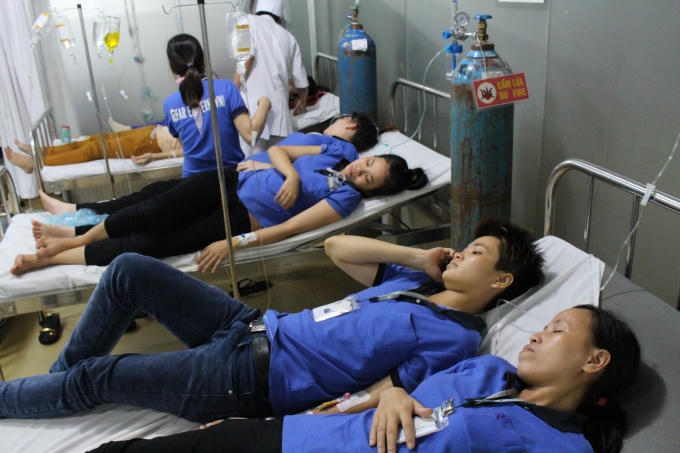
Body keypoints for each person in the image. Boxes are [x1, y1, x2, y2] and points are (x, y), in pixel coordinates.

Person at [0, 218, 544, 422]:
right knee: (127, 270)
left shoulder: (455, 339)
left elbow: (377, 394)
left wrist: (280, 422)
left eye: (476, 252)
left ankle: (38, 393)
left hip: (252, 378)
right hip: (250, 325)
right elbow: (336, 246)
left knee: (101, 377)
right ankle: (57, 387)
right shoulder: (415, 281)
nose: (462, 252)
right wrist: (417, 257)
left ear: (501, 282)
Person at [85, 305, 640, 453]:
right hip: (297, 437)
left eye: (558, 330)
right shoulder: (490, 369)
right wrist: (392, 394)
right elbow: (397, 402)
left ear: (595, 362)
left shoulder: (561, 446)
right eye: (543, 324)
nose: (538, 334)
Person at [10, 114, 427, 274]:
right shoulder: (340, 151)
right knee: (153, 207)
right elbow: (281, 152)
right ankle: (75, 237)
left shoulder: (345, 199)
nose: (360, 171)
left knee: (152, 244)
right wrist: (289, 176)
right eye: (369, 163)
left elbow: (289, 229)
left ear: (371, 191)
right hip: (229, 181)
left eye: (369, 178)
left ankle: (52, 256)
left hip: (240, 219)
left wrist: (233, 243)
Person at [164, 33, 271, 176]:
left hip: (192, 183)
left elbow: (187, 147)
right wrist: (264, 104)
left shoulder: (169, 105)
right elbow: (251, 135)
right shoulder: (226, 88)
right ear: (203, 60)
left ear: (172, 68)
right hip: (231, 177)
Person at [233, 0, 309, 156]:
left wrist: (232, 91)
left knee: (251, 164)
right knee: (278, 164)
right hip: (281, 119)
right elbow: (301, 81)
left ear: (256, 12)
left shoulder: (246, 21)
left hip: (253, 115)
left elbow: (246, 59)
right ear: (279, 18)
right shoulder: (289, 37)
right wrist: (302, 102)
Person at [2, 125, 183, 174]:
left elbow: (187, 152)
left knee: (94, 149)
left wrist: (155, 156)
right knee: (96, 139)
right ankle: (46, 151)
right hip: (157, 131)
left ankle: (36, 164)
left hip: (156, 145)